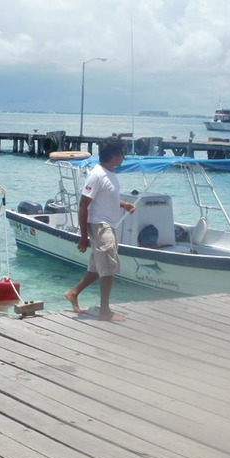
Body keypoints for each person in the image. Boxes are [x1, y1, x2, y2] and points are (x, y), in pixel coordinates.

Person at [64, 135, 136, 321]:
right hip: (100, 226)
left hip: (107, 226)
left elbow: (105, 198)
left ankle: (73, 293)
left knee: (97, 269)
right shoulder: (97, 175)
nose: (124, 157)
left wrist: (123, 204)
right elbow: (83, 204)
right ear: (114, 155)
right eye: (122, 154)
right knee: (109, 268)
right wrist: (83, 236)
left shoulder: (109, 173)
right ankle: (105, 311)